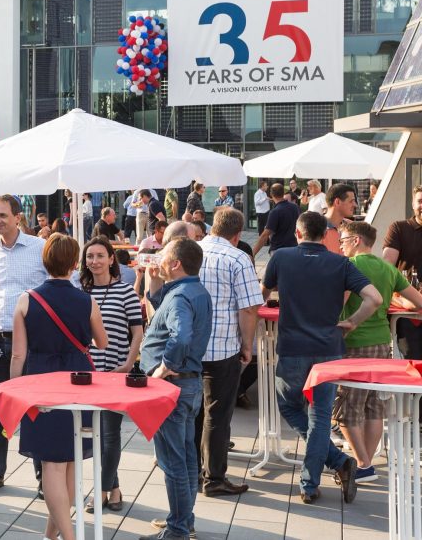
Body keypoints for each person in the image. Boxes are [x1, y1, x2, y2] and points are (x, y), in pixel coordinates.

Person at [261, 210, 382, 504]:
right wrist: (352, 321)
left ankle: (337, 463)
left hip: (292, 347)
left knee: (289, 407)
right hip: (328, 350)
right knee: (320, 417)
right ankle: (313, 480)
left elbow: (262, 295)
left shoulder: (281, 258)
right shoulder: (340, 262)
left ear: (298, 233)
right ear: (325, 235)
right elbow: (375, 298)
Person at [9, 234, 107, 540]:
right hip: (78, 382)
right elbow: (101, 343)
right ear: (75, 263)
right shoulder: (87, 300)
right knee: (70, 461)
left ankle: (67, 536)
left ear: (44, 260)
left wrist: (14, 392)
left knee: (52, 463)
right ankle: (54, 534)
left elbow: (18, 354)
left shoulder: (27, 300)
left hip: (41, 383)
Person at [337, 220, 422, 482]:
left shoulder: (348, 267)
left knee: (346, 408)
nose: (340, 245)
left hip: (353, 341)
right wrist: (396, 303)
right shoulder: (387, 268)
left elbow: (338, 302)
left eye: (342, 240)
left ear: (355, 240)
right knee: (374, 406)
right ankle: (365, 463)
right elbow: (418, 301)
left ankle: (363, 464)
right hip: (382, 341)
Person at [138, 238, 212, 540]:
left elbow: (180, 337)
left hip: (172, 386)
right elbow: (167, 316)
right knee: (185, 456)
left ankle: (178, 529)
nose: (158, 259)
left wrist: (162, 367)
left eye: (163, 255)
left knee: (173, 462)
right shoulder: (194, 290)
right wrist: (154, 285)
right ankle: (184, 520)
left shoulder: (182, 295)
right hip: (187, 384)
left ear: (176, 263)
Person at [0, 194, 48, 497]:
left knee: (34, 409)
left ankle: (44, 476)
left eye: (3, 215)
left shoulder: (38, 248)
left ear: (18, 218)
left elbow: (55, 285)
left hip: (29, 343)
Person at [194, 208, 263, 498]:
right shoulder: (237, 258)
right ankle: (215, 477)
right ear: (237, 235)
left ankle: (194, 471)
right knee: (218, 414)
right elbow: (249, 308)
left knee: (195, 412)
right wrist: (248, 345)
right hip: (223, 345)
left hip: (190, 344)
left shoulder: (190, 251)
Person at [79, 236, 144, 514]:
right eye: (89, 256)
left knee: (109, 434)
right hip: (88, 374)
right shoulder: (81, 292)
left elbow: (137, 331)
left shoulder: (126, 291)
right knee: (94, 434)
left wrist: (129, 363)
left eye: (99, 256)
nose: (94, 261)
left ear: (110, 259)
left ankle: (102, 490)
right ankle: (114, 488)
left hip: (116, 371)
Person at [382, 185, 422, 358]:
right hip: (408, 312)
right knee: (412, 362)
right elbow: (387, 266)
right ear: (413, 204)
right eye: (420, 201)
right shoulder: (399, 228)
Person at [252, 183, 299, 259]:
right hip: (293, 247)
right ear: (283, 193)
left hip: (279, 250)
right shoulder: (295, 207)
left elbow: (265, 235)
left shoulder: (275, 212)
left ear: (271, 194)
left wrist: (253, 253)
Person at [321, 183, 357, 254]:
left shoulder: (353, 227)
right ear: (337, 202)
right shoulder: (315, 229)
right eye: (351, 201)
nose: (355, 205)